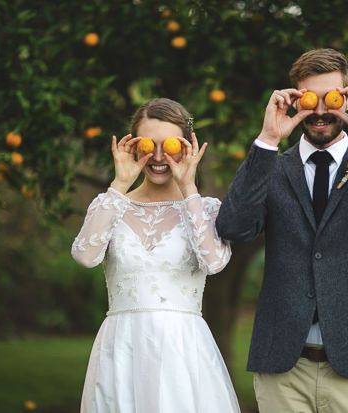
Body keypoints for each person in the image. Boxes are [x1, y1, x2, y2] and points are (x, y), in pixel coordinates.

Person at [215, 49, 348, 412]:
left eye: (330, 99)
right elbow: (234, 227)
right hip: (283, 369)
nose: (318, 111)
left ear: (347, 98)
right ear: (294, 99)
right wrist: (267, 140)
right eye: (308, 99)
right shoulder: (271, 166)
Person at [71, 98, 240, 413]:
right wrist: (119, 185)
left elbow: (213, 263)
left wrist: (188, 188)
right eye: (149, 144)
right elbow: (85, 256)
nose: (159, 156)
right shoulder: (109, 204)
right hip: (121, 347)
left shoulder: (206, 209)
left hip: (183, 348)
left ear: (187, 147)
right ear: (133, 147)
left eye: (170, 145)